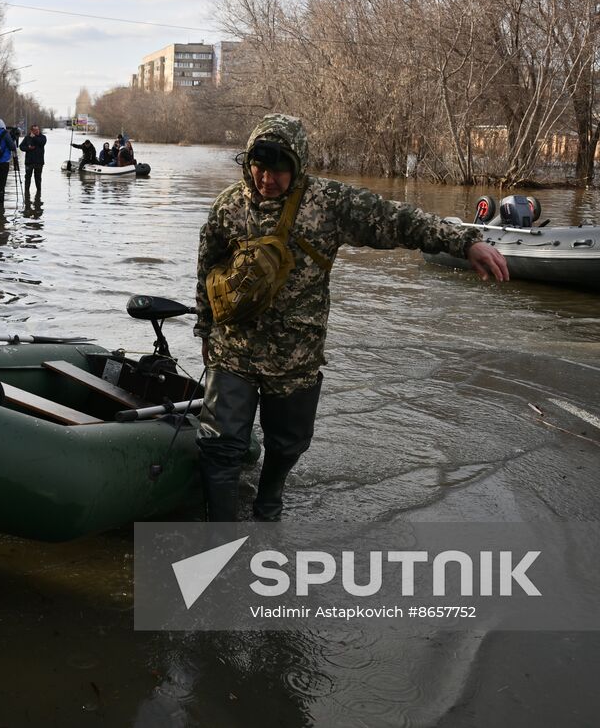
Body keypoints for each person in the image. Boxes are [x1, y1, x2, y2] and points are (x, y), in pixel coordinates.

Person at [193, 113, 509, 522]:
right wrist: (204, 328)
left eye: (278, 168)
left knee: (288, 443)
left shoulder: (329, 204)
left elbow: (398, 220)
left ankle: (268, 504)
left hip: (296, 355)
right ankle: (219, 533)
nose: (266, 178)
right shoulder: (228, 208)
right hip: (232, 348)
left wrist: (464, 242)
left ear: (298, 164)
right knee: (220, 447)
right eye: (258, 165)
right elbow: (207, 272)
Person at [18, 124, 48, 199]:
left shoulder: (43, 137)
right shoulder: (27, 137)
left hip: (39, 162)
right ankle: (26, 194)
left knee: (38, 179)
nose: (37, 131)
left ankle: (38, 194)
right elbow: (21, 147)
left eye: (38, 129)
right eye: (35, 130)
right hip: (29, 162)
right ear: (31, 131)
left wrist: (34, 137)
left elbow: (41, 143)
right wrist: (28, 148)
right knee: (27, 178)